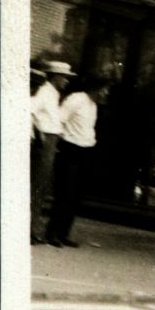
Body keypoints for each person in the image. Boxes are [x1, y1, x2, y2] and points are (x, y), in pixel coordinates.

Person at [44, 76, 104, 248]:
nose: (106, 93)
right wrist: (61, 141)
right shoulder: (76, 99)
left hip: (85, 150)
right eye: (104, 89)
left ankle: (63, 233)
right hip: (71, 149)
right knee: (65, 192)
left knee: (76, 195)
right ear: (95, 88)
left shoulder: (93, 105)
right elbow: (59, 119)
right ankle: (52, 232)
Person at [29, 61, 73, 244]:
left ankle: (33, 228)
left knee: (42, 185)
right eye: (64, 77)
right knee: (38, 185)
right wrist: (38, 135)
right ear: (55, 76)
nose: (66, 81)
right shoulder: (45, 92)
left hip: (51, 139)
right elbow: (31, 111)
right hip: (45, 139)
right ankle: (30, 229)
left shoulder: (53, 93)